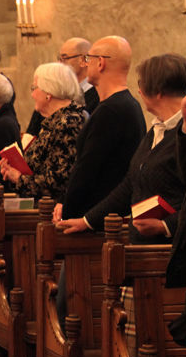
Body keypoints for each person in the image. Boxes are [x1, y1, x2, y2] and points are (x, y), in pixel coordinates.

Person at [58, 54, 186, 244]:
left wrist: (166, 226)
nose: (138, 90)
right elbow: (129, 185)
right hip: (142, 246)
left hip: (170, 250)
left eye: (142, 84)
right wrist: (87, 221)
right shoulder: (156, 130)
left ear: (158, 91)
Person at [54, 36, 146, 226]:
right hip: (103, 215)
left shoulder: (112, 110)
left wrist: (67, 211)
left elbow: (88, 168)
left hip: (97, 219)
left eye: (89, 59)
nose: (86, 64)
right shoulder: (127, 105)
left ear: (101, 62)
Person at [0, 63, 85, 201]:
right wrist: (13, 169)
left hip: (54, 212)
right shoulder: (54, 121)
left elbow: (59, 182)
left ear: (48, 93)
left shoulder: (68, 123)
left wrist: (19, 179)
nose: (32, 94)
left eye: (34, 88)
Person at [26, 37, 96, 135]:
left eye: (64, 58)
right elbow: (32, 132)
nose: (59, 64)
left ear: (84, 60)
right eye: (59, 59)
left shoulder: (97, 96)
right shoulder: (52, 93)